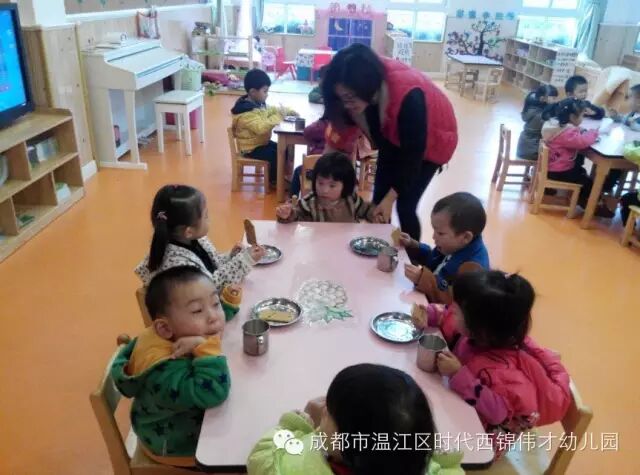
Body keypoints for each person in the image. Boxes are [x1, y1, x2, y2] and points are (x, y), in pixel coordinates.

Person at [412, 270, 571, 457]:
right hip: (461, 408)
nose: (452, 310)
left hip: (483, 441)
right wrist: (430, 315)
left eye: (458, 311)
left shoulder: (504, 374)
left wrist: (459, 375)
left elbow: (498, 413)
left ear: (481, 329)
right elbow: (449, 318)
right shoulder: (482, 333)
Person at [322, 43, 458, 240]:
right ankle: (376, 247)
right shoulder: (359, 90)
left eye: (349, 98)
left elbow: (412, 158)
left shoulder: (408, 96)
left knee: (405, 204)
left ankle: (412, 254)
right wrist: (321, 176)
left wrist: (390, 199)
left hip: (433, 140)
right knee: (378, 201)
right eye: (341, 98)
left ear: (365, 87)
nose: (346, 104)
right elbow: (337, 141)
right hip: (394, 137)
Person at [246, 363, 464, 475]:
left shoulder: (295, 466)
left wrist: (296, 425)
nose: (324, 411)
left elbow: (261, 458)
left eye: (330, 413)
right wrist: (442, 458)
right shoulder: (407, 459)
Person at [111, 266, 231, 467]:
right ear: (164, 327)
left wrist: (230, 304)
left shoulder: (174, 331)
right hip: (175, 441)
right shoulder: (163, 370)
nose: (214, 316)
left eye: (216, 303)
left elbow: (211, 320)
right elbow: (213, 393)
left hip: (188, 419)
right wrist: (206, 349)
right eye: (197, 310)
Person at [135, 185, 265, 320]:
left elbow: (209, 267)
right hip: (195, 321)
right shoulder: (177, 266)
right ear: (189, 231)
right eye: (206, 216)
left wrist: (230, 257)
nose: (209, 219)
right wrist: (245, 260)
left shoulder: (191, 239)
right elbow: (210, 287)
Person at [399, 192, 489, 304]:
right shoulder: (455, 246)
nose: (434, 237)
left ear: (466, 237)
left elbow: (452, 302)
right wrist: (413, 245)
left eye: (440, 233)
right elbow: (434, 258)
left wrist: (423, 279)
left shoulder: (472, 270)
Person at [541, 98, 615, 217]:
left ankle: (582, 199)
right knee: (587, 182)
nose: (582, 119)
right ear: (572, 117)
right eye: (581, 116)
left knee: (581, 172)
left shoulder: (555, 126)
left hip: (552, 167)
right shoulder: (566, 133)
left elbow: (573, 132)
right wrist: (594, 132)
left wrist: (581, 130)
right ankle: (594, 206)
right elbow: (582, 142)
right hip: (559, 171)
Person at [231, 69, 296, 185]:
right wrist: (278, 117)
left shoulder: (258, 105)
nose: (267, 94)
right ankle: (274, 181)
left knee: (283, 149)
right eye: (265, 91)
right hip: (250, 148)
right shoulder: (246, 112)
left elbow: (272, 110)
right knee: (275, 155)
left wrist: (288, 111)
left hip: (260, 143)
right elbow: (260, 128)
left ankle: (282, 175)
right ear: (253, 92)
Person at [277, 152, 377, 223]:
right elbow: (295, 215)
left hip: (347, 245)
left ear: (345, 185)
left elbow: (367, 210)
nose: (324, 190)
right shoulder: (309, 203)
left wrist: (375, 215)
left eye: (332, 186)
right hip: (319, 245)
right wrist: (287, 214)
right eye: (320, 183)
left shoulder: (352, 200)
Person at [516, 85, 559, 161]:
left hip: (524, 148)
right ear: (542, 98)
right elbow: (552, 130)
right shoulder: (540, 115)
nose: (556, 101)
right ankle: (541, 169)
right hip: (532, 151)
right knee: (556, 157)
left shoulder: (531, 109)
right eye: (553, 98)